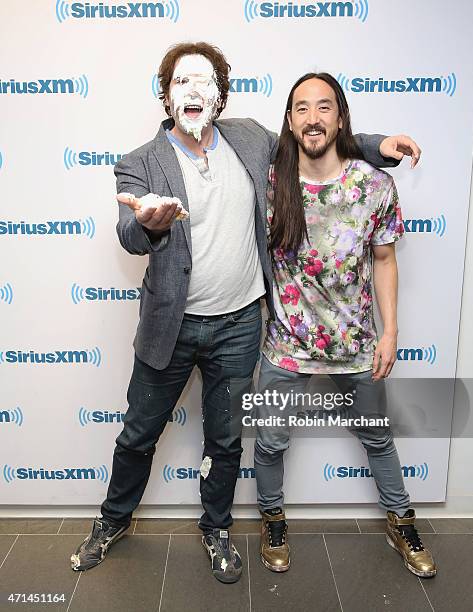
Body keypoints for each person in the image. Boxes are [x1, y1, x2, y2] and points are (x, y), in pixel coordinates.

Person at [70, 42, 422, 584]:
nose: (192, 92)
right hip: (172, 328)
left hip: (239, 326)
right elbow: (130, 233)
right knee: (138, 434)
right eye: (180, 83)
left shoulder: (250, 139)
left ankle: (216, 529)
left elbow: (314, 138)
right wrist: (151, 223)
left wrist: (378, 144)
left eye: (203, 82)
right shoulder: (139, 162)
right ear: (165, 96)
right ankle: (112, 520)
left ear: (220, 94)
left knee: (227, 440)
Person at [254, 72, 436, 578]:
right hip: (286, 344)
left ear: (340, 117)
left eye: (324, 107)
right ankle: (273, 519)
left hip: (355, 343)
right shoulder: (269, 183)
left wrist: (391, 332)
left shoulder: (375, 185)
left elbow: (384, 261)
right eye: (302, 109)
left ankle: (402, 522)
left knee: (377, 438)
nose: (313, 118)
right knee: (270, 443)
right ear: (289, 122)